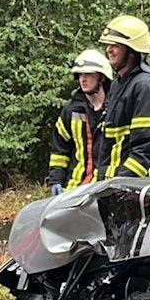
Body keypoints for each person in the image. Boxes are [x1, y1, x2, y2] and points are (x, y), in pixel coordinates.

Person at [96, 15, 150, 179]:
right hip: (113, 186)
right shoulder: (118, 85)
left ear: (132, 50)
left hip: (133, 190)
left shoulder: (144, 86)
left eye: (116, 45)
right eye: (108, 45)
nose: (109, 50)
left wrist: (123, 185)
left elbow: (145, 147)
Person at [47, 49, 112, 195]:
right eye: (80, 75)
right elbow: (59, 150)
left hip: (106, 187)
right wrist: (56, 181)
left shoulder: (116, 109)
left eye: (88, 74)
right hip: (75, 187)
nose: (83, 79)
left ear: (101, 77)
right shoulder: (71, 110)